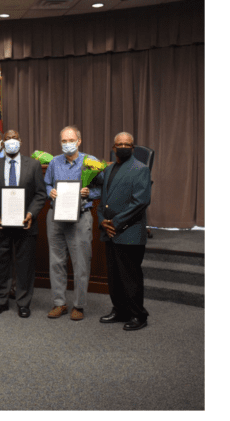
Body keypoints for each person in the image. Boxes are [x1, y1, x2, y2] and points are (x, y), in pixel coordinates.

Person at [43, 126, 103, 321]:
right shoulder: (54, 162)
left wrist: (90, 193)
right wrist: (49, 191)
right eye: (63, 141)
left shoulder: (90, 162)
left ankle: (79, 305)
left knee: (81, 263)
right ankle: (59, 303)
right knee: (56, 262)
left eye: (70, 140)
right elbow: (47, 183)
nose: (67, 144)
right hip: (56, 217)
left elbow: (102, 187)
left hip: (81, 216)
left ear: (79, 141)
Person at [0, 130, 47, 318]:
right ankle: (0, 301)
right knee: (0, 263)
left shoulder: (34, 165)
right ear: (3, 143)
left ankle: (23, 302)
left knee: (25, 264)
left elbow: (40, 193)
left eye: (15, 138)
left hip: (25, 223)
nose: (11, 141)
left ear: (20, 141)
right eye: (8, 138)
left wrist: (31, 213)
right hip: (0, 222)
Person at [97, 132, 152, 331]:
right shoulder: (109, 169)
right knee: (114, 277)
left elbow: (141, 202)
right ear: (113, 148)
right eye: (119, 144)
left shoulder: (140, 169)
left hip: (129, 233)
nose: (123, 147)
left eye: (127, 144)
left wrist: (116, 223)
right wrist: (103, 221)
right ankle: (119, 310)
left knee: (131, 278)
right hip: (110, 233)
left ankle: (138, 315)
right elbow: (103, 201)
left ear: (133, 147)